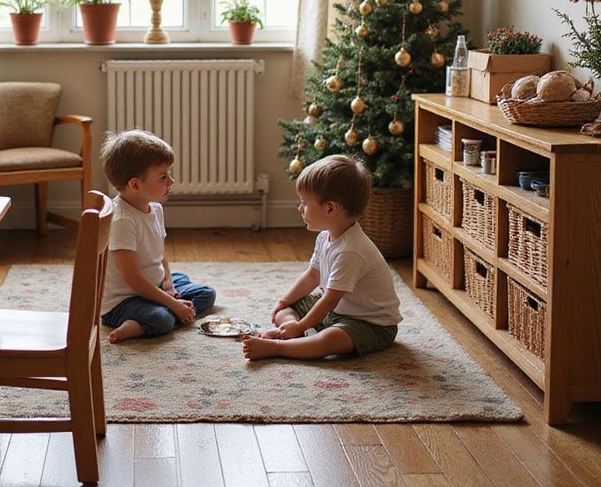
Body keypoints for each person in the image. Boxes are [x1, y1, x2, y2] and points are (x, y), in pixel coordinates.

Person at [242, 155, 401, 362]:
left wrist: (301, 324)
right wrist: (283, 302)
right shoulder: (324, 237)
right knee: (287, 308)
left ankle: (279, 347)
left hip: (369, 323)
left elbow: (330, 299)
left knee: (330, 340)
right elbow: (312, 276)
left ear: (330, 209)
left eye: (304, 203)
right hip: (336, 311)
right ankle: (292, 335)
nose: (300, 209)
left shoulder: (351, 251)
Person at [99, 129, 216, 344]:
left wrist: (169, 285)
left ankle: (168, 307)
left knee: (207, 294)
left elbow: (160, 254)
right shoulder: (123, 220)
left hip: (152, 284)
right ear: (135, 185)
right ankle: (136, 326)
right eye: (163, 177)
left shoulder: (155, 208)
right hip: (124, 300)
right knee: (161, 319)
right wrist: (173, 304)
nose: (171, 181)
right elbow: (132, 279)